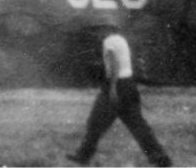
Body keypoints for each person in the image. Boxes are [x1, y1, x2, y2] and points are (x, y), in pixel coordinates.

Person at [67, 27, 172, 167]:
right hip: (129, 85)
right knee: (138, 125)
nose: (97, 34)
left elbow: (115, 64)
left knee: (95, 122)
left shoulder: (108, 42)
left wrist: (112, 88)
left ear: (105, 30)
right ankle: (160, 158)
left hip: (116, 86)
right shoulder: (121, 40)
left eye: (98, 30)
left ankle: (83, 155)